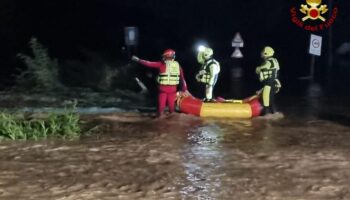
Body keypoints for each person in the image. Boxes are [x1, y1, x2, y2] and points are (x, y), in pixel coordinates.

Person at [131, 49, 189, 117]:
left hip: (163, 90)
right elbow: (182, 79)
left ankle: (160, 118)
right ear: (173, 57)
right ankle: (171, 119)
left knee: (161, 108)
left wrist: (138, 60)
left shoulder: (161, 64)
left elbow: (148, 63)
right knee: (171, 108)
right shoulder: (178, 66)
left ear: (166, 57)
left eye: (164, 57)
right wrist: (184, 89)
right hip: (172, 90)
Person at [255, 46, 282, 116]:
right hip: (274, 84)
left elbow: (263, 68)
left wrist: (258, 69)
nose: (261, 53)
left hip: (269, 84)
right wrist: (260, 90)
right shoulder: (274, 60)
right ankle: (275, 113)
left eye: (263, 51)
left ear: (266, 53)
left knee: (266, 101)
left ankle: (267, 115)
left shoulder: (269, 62)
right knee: (271, 100)